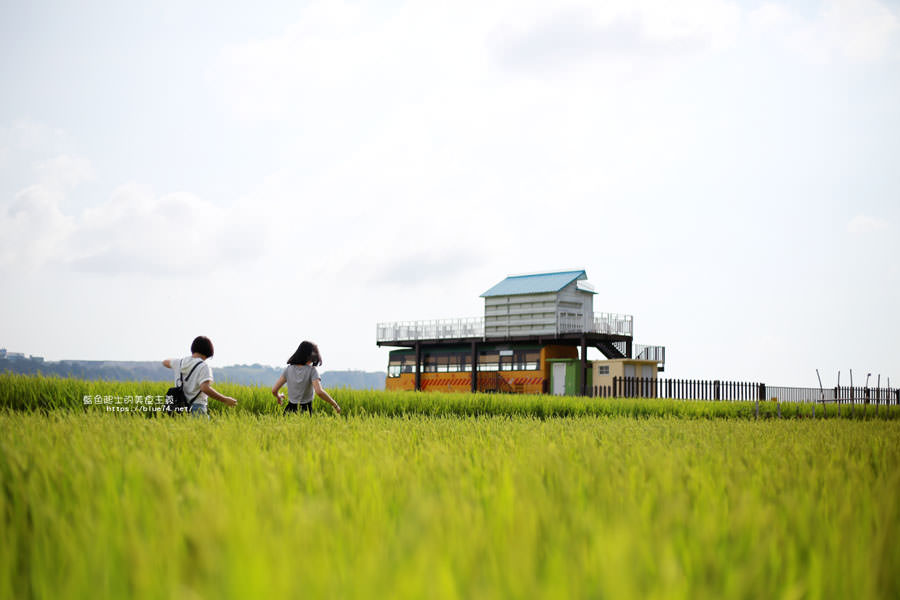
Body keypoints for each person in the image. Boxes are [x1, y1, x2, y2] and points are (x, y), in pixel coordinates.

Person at [162, 335, 237, 418]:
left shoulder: (179, 362)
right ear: (209, 351)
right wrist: (225, 399)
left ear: (193, 348)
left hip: (179, 409)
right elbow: (204, 388)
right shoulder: (204, 366)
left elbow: (165, 362)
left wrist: (179, 362)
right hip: (197, 408)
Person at [271, 341, 341, 415]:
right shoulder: (312, 371)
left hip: (289, 410)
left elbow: (274, 390)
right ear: (311, 356)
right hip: (306, 411)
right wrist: (335, 404)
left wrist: (278, 396)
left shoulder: (288, 369)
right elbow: (319, 391)